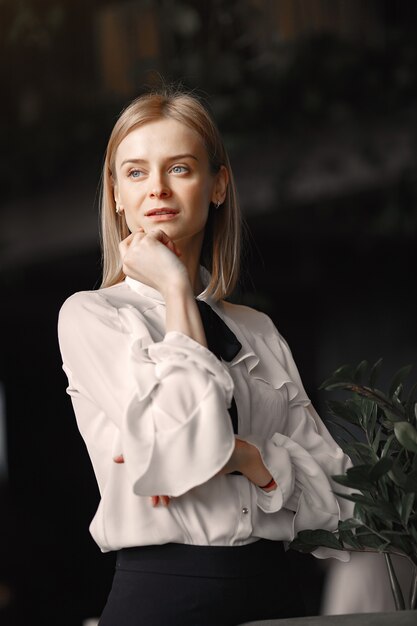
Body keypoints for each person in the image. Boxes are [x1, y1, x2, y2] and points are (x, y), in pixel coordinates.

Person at [57, 85, 353, 626]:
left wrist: (253, 462)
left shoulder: (257, 329)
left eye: (180, 168)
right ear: (117, 194)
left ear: (218, 185)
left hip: (276, 597)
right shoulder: (92, 317)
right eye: (137, 172)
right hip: (164, 596)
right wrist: (173, 288)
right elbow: (180, 455)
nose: (158, 190)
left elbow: (337, 497)